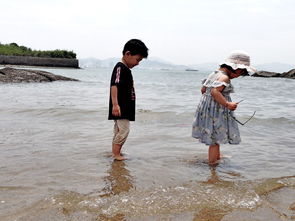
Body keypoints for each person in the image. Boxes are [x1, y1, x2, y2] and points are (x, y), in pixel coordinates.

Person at [192, 51, 256, 165]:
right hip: (215, 112)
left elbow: (203, 90)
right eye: (239, 74)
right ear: (235, 68)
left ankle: (217, 156)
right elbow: (215, 91)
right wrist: (227, 104)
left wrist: (209, 104)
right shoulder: (224, 78)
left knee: (215, 136)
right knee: (214, 140)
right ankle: (213, 165)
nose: (238, 76)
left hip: (206, 110)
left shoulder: (213, 74)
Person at [108, 39, 148, 160]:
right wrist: (115, 105)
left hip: (124, 107)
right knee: (124, 130)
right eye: (137, 59)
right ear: (128, 54)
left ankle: (115, 153)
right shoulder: (120, 67)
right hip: (120, 107)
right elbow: (114, 85)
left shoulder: (125, 69)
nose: (137, 63)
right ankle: (116, 154)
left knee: (119, 130)